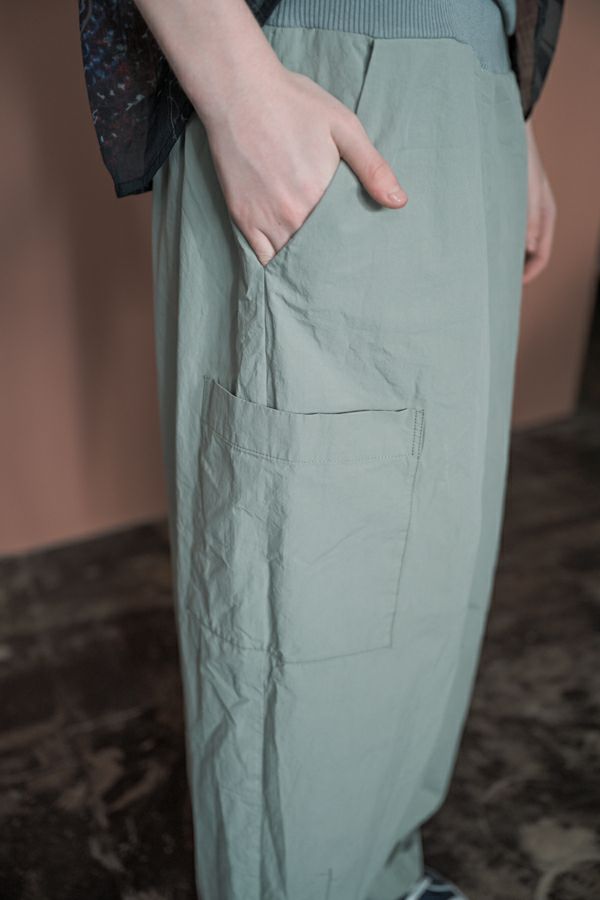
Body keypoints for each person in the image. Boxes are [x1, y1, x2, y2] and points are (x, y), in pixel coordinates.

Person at [79, 1, 564, 898]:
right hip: (328, 63)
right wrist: (237, 85)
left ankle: (380, 876)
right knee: (308, 591)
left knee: (427, 572)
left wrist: (507, 104)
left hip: (473, 85)